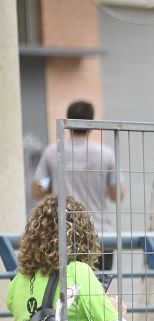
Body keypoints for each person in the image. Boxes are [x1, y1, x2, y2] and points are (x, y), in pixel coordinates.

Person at [32, 100, 124, 272]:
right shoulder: (106, 154)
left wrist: (53, 179)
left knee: (66, 291)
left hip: (63, 234)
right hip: (99, 234)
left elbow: (38, 189)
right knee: (99, 290)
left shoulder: (53, 152)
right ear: (91, 123)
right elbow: (117, 194)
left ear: (68, 121)